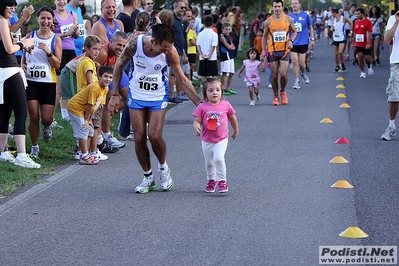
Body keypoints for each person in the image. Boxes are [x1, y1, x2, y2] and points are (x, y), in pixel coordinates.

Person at [109, 23, 201, 193]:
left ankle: (163, 168)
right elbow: (118, 65)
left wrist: (199, 103)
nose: (166, 52)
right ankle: (147, 177)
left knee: (154, 136)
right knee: (138, 137)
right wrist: (114, 94)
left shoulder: (171, 51)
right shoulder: (134, 45)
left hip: (158, 95)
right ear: (153, 41)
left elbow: (182, 79)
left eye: (169, 48)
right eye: (163, 48)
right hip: (136, 94)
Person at [0, 0, 40, 168]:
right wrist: (24, 44)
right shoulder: (2, 20)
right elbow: (9, 49)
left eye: (14, 8)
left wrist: (19, 41)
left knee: (4, 112)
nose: (12, 10)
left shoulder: (4, 22)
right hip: (10, 70)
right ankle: (22, 155)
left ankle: (2, 152)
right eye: (10, 7)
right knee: (21, 113)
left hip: (3, 72)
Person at [22, 6, 62, 159]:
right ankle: (34, 147)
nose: (45, 21)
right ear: (37, 19)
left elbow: (57, 64)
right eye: (43, 18)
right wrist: (23, 65)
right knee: (33, 116)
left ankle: (46, 126)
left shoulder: (55, 39)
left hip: (48, 83)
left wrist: (48, 51)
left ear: (52, 21)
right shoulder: (31, 35)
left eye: (48, 18)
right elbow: (24, 53)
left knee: (47, 118)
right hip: (31, 81)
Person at [192, 77, 238, 193]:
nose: (214, 93)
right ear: (205, 93)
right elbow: (197, 120)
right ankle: (211, 180)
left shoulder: (226, 105)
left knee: (218, 158)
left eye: (217, 90)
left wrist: (235, 130)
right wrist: (196, 126)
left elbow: (232, 118)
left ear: (221, 91)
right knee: (209, 162)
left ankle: (222, 180)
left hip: (221, 139)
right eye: (211, 90)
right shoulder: (202, 107)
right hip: (206, 140)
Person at [67, 66, 114, 164]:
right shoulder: (95, 87)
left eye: (110, 77)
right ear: (99, 76)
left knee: (91, 130)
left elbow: (98, 105)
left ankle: (82, 152)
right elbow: (90, 105)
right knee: (84, 128)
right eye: (105, 76)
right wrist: (87, 119)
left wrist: (91, 119)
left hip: (85, 111)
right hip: (75, 107)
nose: (108, 79)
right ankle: (84, 156)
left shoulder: (105, 88)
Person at [261, 0, 297, 106]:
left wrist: (291, 40)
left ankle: (283, 91)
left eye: (279, 6)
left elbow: (294, 31)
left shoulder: (288, 19)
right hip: (272, 51)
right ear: (272, 7)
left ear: (282, 7)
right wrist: (263, 50)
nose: (277, 9)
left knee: (283, 74)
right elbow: (264, 36)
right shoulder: (268, 21)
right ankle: (276, 96)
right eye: (275, 6)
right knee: (274, 75)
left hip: (285, 50)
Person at [54, 0, 80, 121]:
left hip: (71, 51)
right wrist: (66, 33)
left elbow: (76, 35)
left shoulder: (72, 14)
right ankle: (62, 115)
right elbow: (50, 35)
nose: (61, 2)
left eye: (63, 0)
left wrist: (74, 30)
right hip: (59, 50)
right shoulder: (52, 15)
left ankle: (73, 112)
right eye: (59, 0)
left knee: (74, 83)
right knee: (60, 84)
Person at [381, 10, 399, 140]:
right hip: (397, 62)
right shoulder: (393, 19)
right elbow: (387, 38)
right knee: (394, 96)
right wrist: (397, 22)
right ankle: (391, 126)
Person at [288, 0, 314, 90]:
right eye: (292, 4)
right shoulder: (289, 17)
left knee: (302, 64)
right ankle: (296, 80)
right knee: (294, 62)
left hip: (303, 42)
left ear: (299, 5)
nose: (294, 5)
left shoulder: (305, 16)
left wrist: (312, 39)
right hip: (293, 42)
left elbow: (310, 27)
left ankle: (303, 73)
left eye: (296, 3)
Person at [197, 15, 219, 83]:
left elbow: (198, 45)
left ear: (203, 23)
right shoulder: (214, 34)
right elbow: (214, 46)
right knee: (212, 75)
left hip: (202, 57)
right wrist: (209, 55)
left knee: (203, 75)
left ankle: (204, 87)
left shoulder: (200, 34)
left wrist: (201, 54)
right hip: (212, 57)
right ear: (212, 23)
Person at [353, 8, 373, 79]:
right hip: (358, 43)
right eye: (356, 14)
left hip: (366, 43)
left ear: (362, 14)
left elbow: (370, 33)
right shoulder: (355, 22)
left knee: (367, 58)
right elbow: (355, 33)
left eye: (358, 14)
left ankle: (369, 65)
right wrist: (354, 42)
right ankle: (362, 72)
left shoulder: (368, 22)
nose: (357, 15)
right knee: (360, 56)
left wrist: (368, 43)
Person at [331, 8, 353, 73]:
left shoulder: (343, 18)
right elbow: (333, 26)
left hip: (342, 38)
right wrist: (332, 28)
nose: (332, 14)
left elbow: (351, 23)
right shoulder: (333, 19)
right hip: (335, 38)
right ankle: (337, 65)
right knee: (336, 54)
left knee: (340, 52)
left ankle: (343, 64)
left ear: (334, 13)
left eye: (332, 13)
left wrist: (351, 32)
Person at [219, 22, 236, 95]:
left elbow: (233, 45)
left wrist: (231, 47)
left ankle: (228, 88)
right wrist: (230, 47)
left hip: (230, 56)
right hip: (225, 56)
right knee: (225, 72)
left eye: (229, 29)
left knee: (231, 73)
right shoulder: (222, 37)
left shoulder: (229, 36)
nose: (228, 31)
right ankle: (222, 88)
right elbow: (228, 46)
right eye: (226, 29)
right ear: (222, 29)